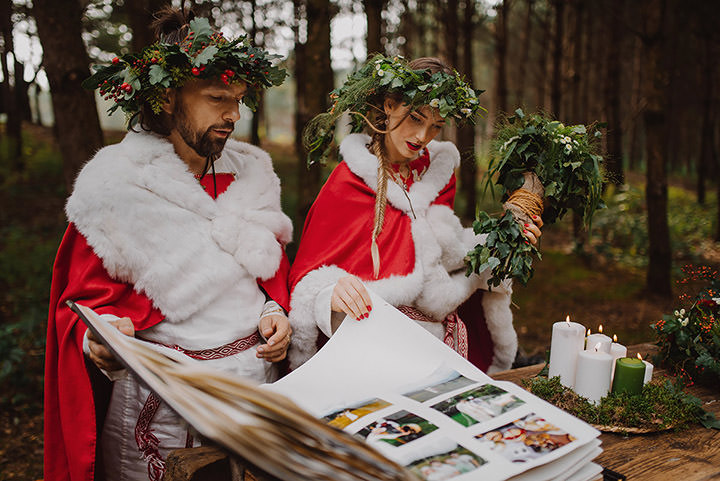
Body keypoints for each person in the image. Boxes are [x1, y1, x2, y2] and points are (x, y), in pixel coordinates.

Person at [44, 8, 291, 481]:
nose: (234, 114)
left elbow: (268, 271)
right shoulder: (113, 186)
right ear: (166, 96)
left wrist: (273, 310)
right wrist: (97, 340)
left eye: (239, 99)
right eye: (218, 98)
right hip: (163, 405)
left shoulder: (253, 172)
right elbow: (81, 308)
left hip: (255, 390)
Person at [287, 55, 542, 372]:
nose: (423, 137)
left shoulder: (437, 174)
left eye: (436, 126)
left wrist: (506, 238)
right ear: (390, 105)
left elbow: (444, 255)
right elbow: (306, 277)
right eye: (416, 118)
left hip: (440, 340)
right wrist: (331, 290)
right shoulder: (348, 182)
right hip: (375, 346)